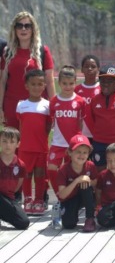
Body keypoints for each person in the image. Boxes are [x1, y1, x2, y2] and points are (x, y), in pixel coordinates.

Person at [0, 11, 55, 129]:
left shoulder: (43, 51)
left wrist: (54, 107)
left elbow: (50, 83)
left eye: (27, 26)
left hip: (37, 106)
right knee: (11, 144)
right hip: (11, 106)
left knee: (35, 143)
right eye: (19, 26)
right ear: (14, 29)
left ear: (33, 29)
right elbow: (2, 82)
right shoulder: (7, 52)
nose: (23, 29)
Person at [48, 65, 85, 217]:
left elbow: (81, 123)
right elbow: (51, 122)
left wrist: (79, 140)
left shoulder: (80, 101)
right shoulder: (54, 101)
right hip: (57, 143)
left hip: (73, 145)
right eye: (64, 83)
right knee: (51, 169)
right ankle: (60, 197)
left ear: (75, 82)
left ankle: (75, 200)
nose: (68, 87)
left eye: (71, 83)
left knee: (75, 171)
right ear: (59, 83)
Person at [16, 69, 52, 215]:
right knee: (26, 174)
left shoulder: (47, 105)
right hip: (25, 147)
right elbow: (21, 126)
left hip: (41, 147)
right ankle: (28, 199)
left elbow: (48, 126)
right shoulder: (21, 105)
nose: (37, 87)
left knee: (40, 174)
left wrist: (42, 139)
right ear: (27, 86)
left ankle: (38, 200)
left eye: (40, 84)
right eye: (33, 84)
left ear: (44, 85)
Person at [90, 65, 115, 172]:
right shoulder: (94, 100)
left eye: (110, 81)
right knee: (99, 170)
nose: (106, 84)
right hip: (99, 142)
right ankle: (100, 189)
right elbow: (92, 120)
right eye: (103, 81)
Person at [57, 134, 98, 232]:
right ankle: (66, 212)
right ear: (70, 152)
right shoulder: (64, 169)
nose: (82, 155)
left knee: (86, 185)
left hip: (86, 197)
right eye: (78, 152)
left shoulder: (90, 166)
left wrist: (89, 180)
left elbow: (96, 183)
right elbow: (62, 194)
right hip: (70, 198)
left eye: (85, 152)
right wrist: (77, 180)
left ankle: (90, 218)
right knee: (68, 224)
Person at [0, 127, 30, 230]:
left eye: (12, 142)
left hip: (9, 198)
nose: (8, 145)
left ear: (18, 144)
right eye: (4, 141)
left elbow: (17, 186)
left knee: (23, 222)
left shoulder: (20, 165)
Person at [74, 54, 101, 141]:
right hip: (81, 135)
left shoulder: (102, 89)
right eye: (86, 66)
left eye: (93, 66)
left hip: (98, 134)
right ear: (82, 69)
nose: (89, 69)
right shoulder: (76, 90)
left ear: (98, 69)